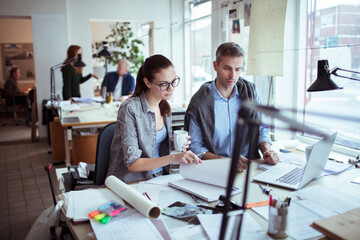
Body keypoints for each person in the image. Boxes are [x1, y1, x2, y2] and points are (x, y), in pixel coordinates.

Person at [184, 42, 279, 173]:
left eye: (238, 69)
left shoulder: (250, 92)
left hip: (250, 167)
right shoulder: (199, 102)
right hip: (217, 169)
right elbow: (195, 146)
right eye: (227, 68)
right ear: (215, 66)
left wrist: (267, 151)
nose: (233, 76)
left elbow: (262, 127)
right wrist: (225, 161)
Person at [107, 54, 201, 183]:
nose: (171, 88)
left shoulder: (165, 107)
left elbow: (154, 144)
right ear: (147, 82)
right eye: (164, 84)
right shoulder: (130, 109)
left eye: (174, 81)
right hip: (133, 182)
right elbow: (133, 164)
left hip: (161, 177)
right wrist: (174, 157)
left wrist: (174, 143)